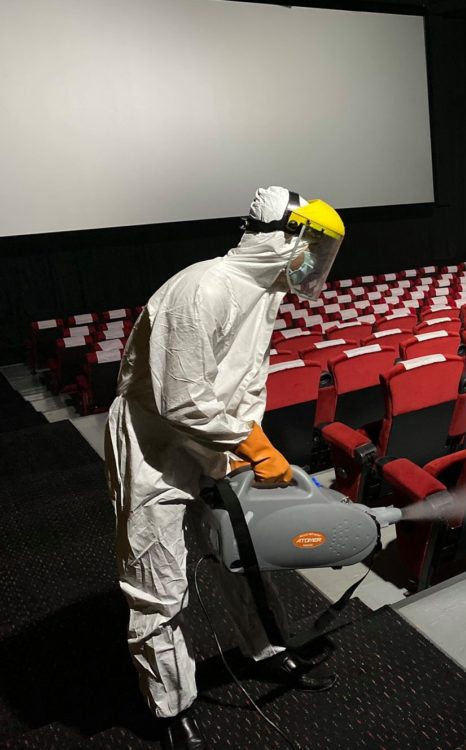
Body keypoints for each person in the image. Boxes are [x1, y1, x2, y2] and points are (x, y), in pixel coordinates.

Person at [105, 186, 345, 750]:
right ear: (281, 236)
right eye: (313, 247)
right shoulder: (201, 289)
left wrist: (249, 441)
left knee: (244, 555)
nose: (315, 264)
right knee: (156, 581)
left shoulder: (266, 294)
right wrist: (253, 446)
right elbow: (180, 400)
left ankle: (266, 649)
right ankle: (170, 710)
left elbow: (244, 382)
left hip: (220, 444)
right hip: (155, 450)